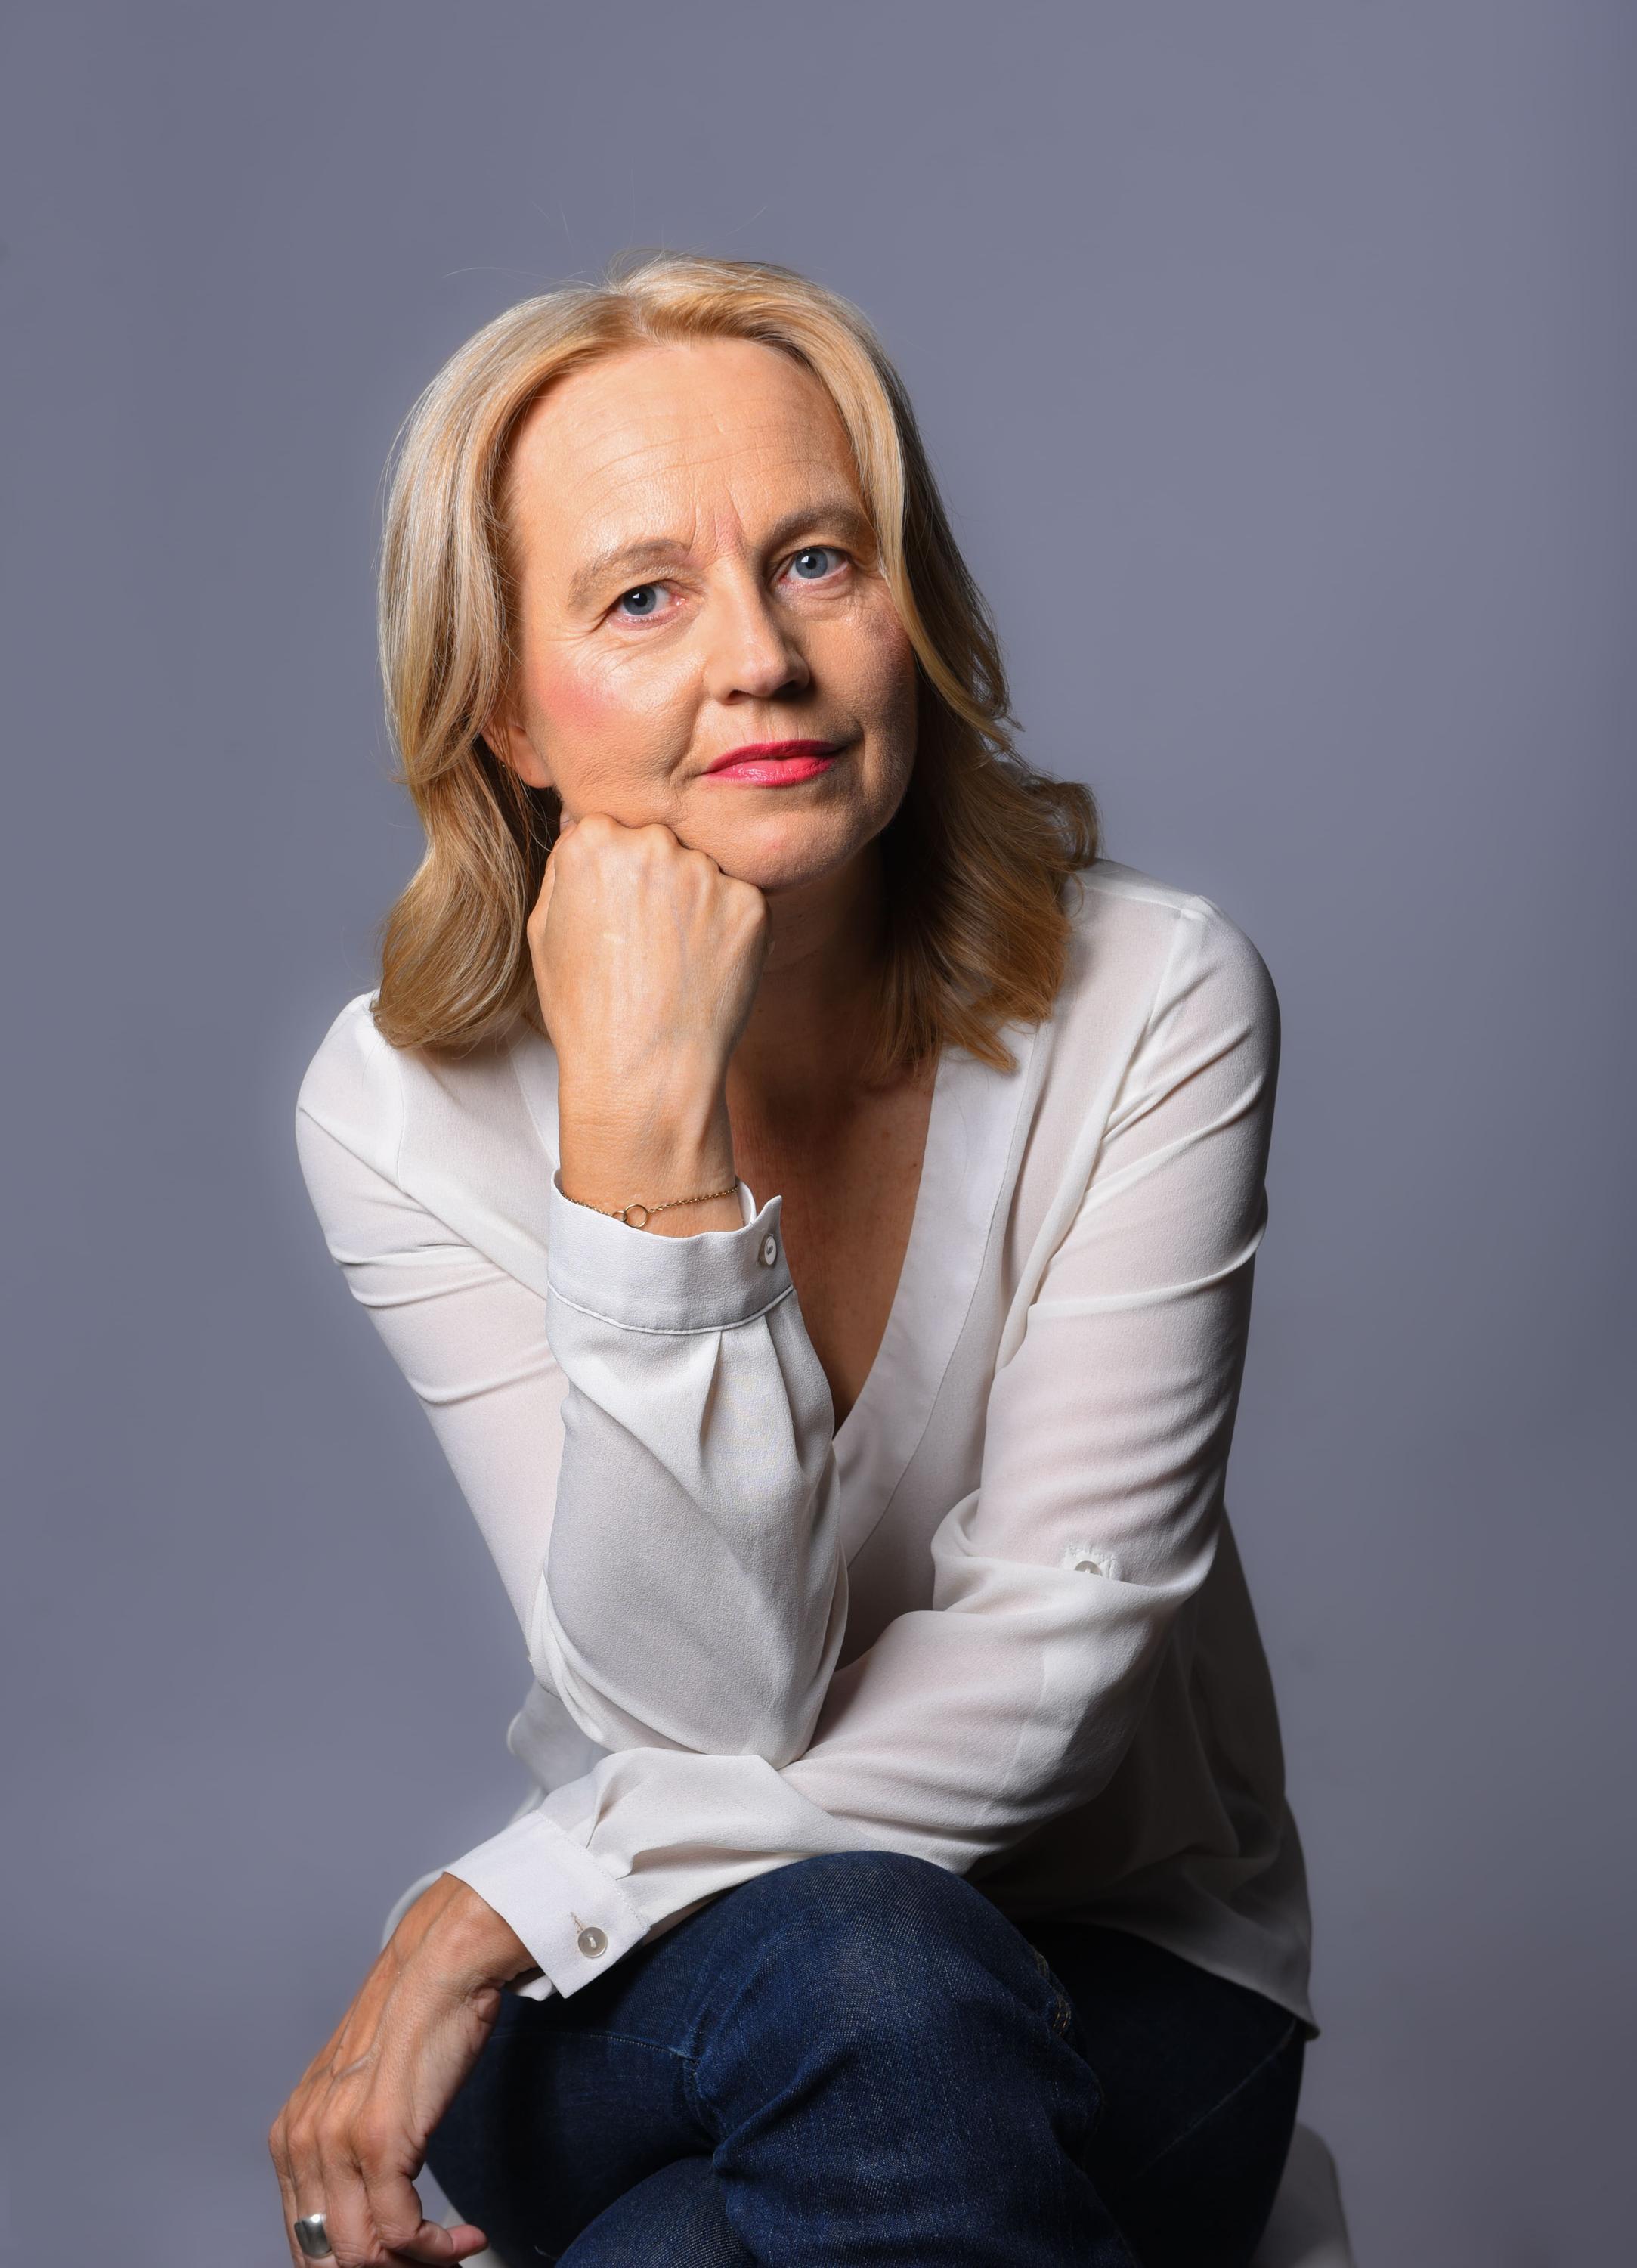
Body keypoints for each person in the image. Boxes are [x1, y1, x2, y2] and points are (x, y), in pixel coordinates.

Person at [271, 249, 1318, 2268]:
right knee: (858, 1969)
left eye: (820, 561)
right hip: (668, 1976)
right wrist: (643, 1148)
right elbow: (706, 1697)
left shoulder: (1151, 1000)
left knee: (842, 2043)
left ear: (914, 610)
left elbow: (1053, 1679)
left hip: (1124, 1963)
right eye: (642, 597)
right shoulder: (399, 1109)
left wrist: (501, 1907)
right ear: (505, 710)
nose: (760, 656)